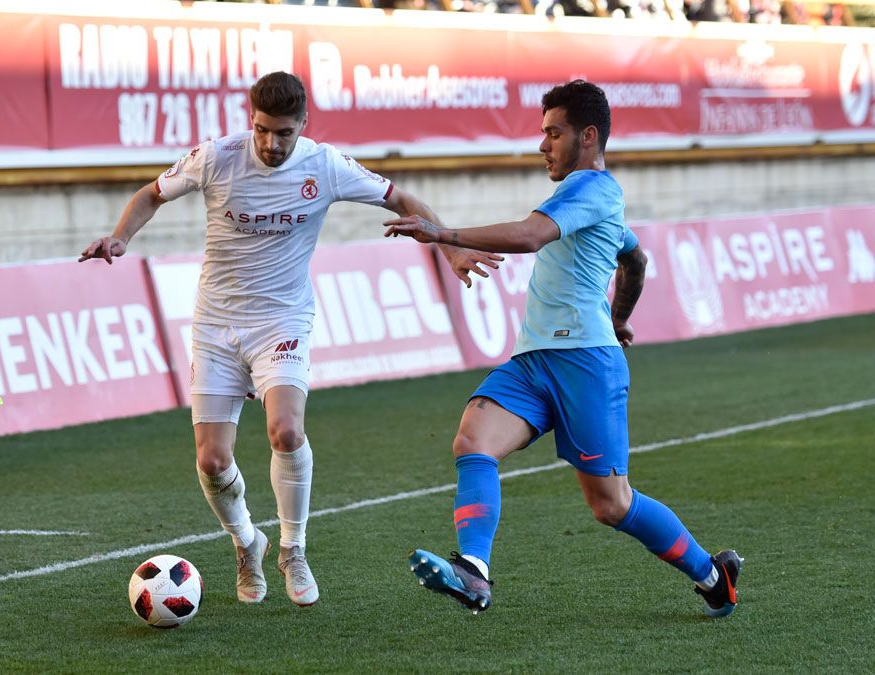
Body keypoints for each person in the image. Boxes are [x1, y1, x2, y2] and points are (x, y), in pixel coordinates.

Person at [80, 71, 501, 607]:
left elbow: (402, 198)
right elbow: (151, 194)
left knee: (284, 428)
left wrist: (450, 248)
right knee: (211, 460)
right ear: (248, 119)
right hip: (215, 325)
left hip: (283, 321)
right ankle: (245, 544)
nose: (271, 144)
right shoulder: (216, 157)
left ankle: (292, 549)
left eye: (283, 133)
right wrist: (119, 237)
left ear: (303, 124)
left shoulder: (325, 165)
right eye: (261, 130)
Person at [385, 80, 741, 617]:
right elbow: (635, 260)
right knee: (472, 442)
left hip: (584, 365)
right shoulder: (583, 201)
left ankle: (715, 577)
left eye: (554, 132)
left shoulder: (593, 189)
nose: (542, 144)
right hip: (534, 361)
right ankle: (474, 572)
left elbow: (531, 237)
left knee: (611, 504)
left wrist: (444, 233)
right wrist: (619, 317)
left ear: (588, 136)